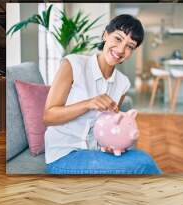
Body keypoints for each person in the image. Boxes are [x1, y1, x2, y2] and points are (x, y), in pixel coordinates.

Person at [43, 14, 162, 174]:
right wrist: (88, 103)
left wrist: (120, 139)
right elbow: (48, 117)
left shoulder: (123, 83)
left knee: (141, 159)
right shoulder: (73, 64)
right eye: (118, 39)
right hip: (64, 155)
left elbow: (109, 126)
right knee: (144, 163)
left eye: (130, 46)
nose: (121, 50)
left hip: (97, 153)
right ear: (106, 34)